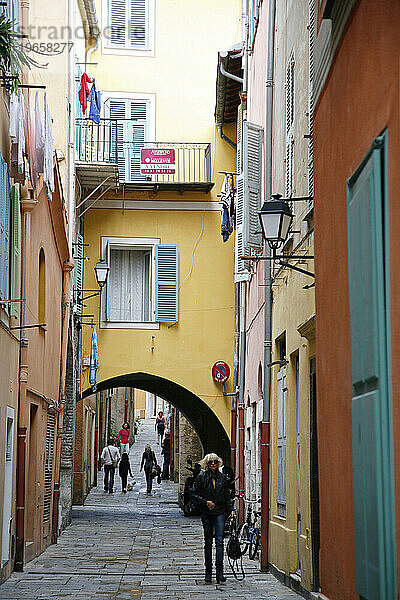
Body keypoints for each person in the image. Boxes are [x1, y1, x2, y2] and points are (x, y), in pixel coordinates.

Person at [192, 453, 234, 584]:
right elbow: (193, 493)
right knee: (208, 542)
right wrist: (205, 502)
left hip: (220, 511)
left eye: (215, 462)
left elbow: (227, 496)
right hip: (207, 513)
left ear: (218, 463)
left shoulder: (222, 478)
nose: (213, 464)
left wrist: (231, 511)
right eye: (210, 462)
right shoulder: (201, 477)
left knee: (220, 542)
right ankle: (208, 573)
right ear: (207, 464)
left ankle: (220, 573)